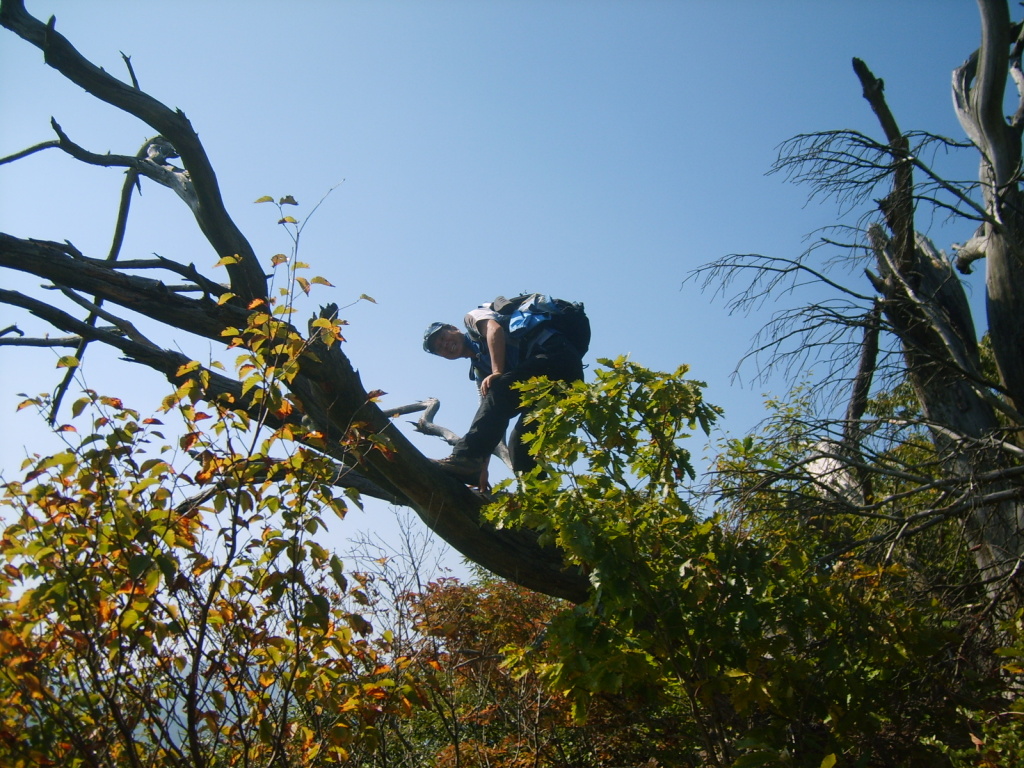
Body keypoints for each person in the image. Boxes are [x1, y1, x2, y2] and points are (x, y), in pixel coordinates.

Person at [423, 299, 584, 490]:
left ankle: (464, 458)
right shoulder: (480, 372)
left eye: (442, 338)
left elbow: (494, 329)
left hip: (556, 356)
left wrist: (497, 372)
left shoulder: (472, 319)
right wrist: (483, 469)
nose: (444, 345)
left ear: (453, 328)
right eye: (439, 348)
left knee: (499, 387)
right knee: (521, 446)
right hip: (550, 387)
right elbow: (489, 418)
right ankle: (540, 500)